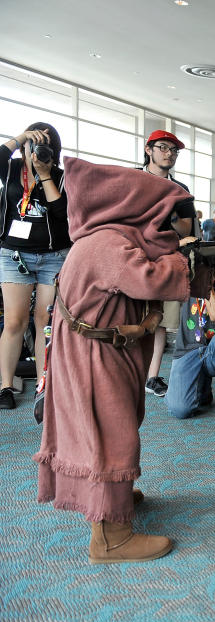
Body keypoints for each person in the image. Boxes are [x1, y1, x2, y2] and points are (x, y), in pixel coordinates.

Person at [34, 158, 194, 563]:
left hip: (98, 349)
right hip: (96, 356)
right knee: (110, 433)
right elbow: (149, 279)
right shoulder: (109, 244)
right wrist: (181, 261)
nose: (165, 222)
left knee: (114, 424)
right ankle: (111, 539)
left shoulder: (103, 236)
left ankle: (112, 499)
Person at [0, 123, 68, 410]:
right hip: (15, 255)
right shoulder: (12, 169)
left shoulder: (61, 176)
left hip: (53, 255)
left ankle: (45, 383)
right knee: (14, 321)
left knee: (45, 322)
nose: (39, 149)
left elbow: (61, 211)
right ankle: (5, 386)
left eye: (45, 144)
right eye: (35, 142)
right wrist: (19, 139)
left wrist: (44, 174)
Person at [141, 130, 196, 399]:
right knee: (129, 314)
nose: (169, 154)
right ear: (149, 149)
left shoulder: (180, 190)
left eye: (174, 150)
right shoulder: (133, 179)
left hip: (165, 256)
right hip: (134, 253)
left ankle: (152, 377)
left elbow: (185, 227)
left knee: (159, 319)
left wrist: (169, 208)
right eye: (163, 148)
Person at [165, 246, 215, 422]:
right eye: (213, 264)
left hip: (214, 352)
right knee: (180, 410)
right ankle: (202, 391)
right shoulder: (190, 277)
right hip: (187, 350)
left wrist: (206, 283)